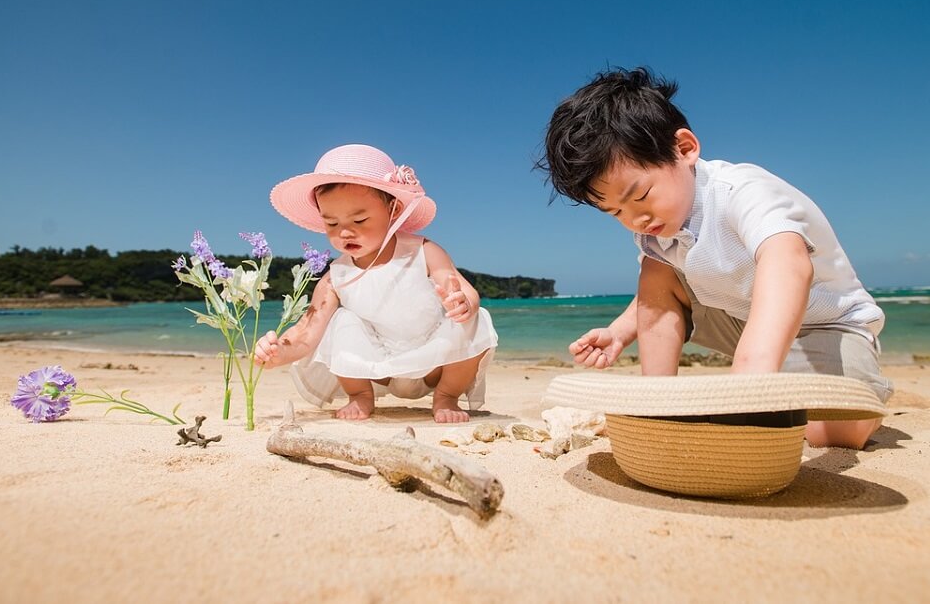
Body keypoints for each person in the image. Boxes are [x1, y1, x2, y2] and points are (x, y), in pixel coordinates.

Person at [536, 68, 892, 449]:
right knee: (657, 270)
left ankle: (795, 384)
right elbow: (659, 294)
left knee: (842, 433)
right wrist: (620, 332)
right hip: (743, 321)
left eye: (640, 196)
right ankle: (659, 401)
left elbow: (789, 264)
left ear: (685, 149)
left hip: (829, 325)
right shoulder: (656, 228)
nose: (634, 219)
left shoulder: (742, 191)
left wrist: (748, 377)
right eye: (614, 213)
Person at [254, 144, 498, 423]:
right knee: (340, 320)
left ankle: (446, 396)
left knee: (474, 320)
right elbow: (308, 331)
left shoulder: (423, 250)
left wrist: (462, 302)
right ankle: (359, 395)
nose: (345, 231)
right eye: (331, 223)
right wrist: (279, 351)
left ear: (393, 210)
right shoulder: (337, 276)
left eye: (360, 219)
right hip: (379, 369)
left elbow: (459, 286)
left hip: (436, 363)